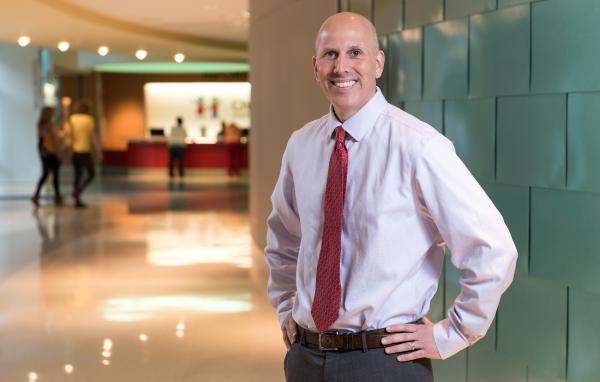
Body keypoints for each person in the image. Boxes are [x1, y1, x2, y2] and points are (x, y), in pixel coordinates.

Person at [264, 12, 517, 382]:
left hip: (385, 363)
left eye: (355, 53)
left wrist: (454, 333)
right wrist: (287, 308)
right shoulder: (301, 145)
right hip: (305, 358)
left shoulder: (419, 147)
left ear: (378, 63)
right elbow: (284, 240)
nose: (342, 67)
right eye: (330, 55)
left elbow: (493, 248)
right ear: (316, 67)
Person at [70, 100, 101, 208]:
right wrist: (98, 151)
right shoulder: (88, 119)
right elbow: (93, 136)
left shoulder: (72, 118)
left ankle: (77, 196)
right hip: (85, 151)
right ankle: (78, 192)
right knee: (91, 174)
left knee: (77, 175)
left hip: (75, 151)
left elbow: (69, 133)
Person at [32, 107, 63, 207]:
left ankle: (37, 195)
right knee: (54, 173)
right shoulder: (49, 124)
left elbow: (40, 138)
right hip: (49, 150)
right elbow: (55, 136)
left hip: (42, 149)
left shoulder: (40, 124)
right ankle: (57, 196)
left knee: (46, 173)